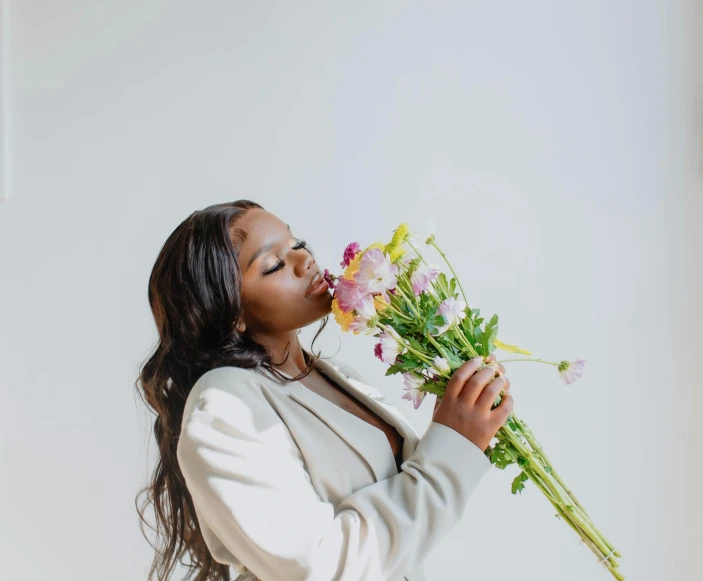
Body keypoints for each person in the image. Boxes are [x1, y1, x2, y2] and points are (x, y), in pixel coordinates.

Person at [135, 200, 513, 581]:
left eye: (296, 243)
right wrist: (452, 447)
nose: (305, 261)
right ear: (233, 313)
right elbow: (319, 566)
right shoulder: (222, 405)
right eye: (275, 265)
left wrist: (460, 412)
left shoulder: (327, 374)